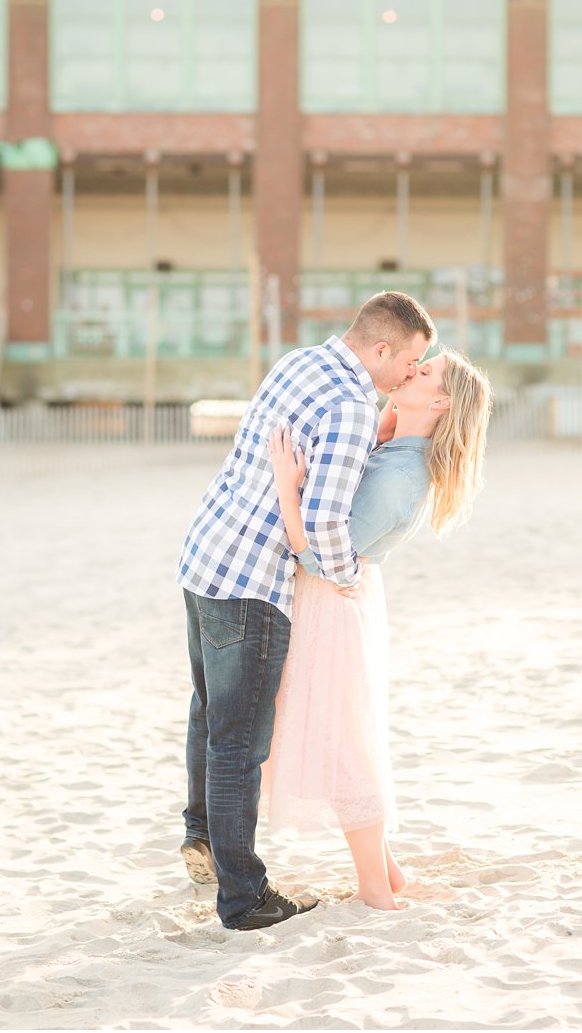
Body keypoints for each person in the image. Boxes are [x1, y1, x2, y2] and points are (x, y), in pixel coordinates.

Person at [177, 291, 433, 930]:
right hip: (256, 582)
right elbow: (322, 531)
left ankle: (201, 834)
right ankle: (243, 899)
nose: (409, 373)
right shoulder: (351, 407)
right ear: (381, 350)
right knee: (241, 744)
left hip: (206, 554)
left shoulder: (296, 363)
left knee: (209, 714)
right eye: (410, 361)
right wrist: (348, 576)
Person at [261, 349, 492, 911]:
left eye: (427, 370)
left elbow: (321, 560)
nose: (413, 370)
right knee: (340, 735)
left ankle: (375, 890)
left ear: (439, 402)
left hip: (330, 607)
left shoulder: (401, 475)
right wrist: (383, 430)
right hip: (337, 602)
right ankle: (386, 871)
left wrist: (286, 487)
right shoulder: (396, 452)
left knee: (343, 743)